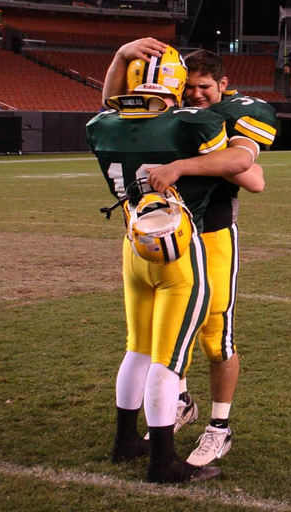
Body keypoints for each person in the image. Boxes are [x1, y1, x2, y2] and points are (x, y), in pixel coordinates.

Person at [88, 43, 258, 484]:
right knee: (167, 356)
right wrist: (188, 163)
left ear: (221, 85)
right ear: (176, 87)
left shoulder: (102, 125)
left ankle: (204, 426)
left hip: (147, 240)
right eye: (190, 86)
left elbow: (252, 180)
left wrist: (120, 58)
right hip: (181, 247)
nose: (197, 94)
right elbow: (246, 164)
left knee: (181, 342)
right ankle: (166, 449)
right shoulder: (193, 123)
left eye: (205, 87)